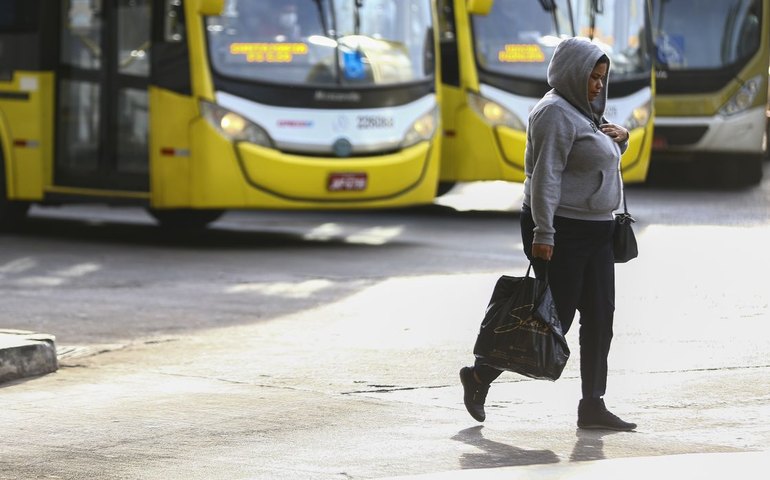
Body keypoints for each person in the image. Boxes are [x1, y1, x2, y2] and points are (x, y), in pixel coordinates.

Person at [460, 37, 636, 431]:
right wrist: (544, 233)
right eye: (591, 76)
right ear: (573, 72)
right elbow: (545, 177)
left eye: (602, 78)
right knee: (548, 320)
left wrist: (619, 142)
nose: (597, 85)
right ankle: (479, 375)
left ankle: (593, 404)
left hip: (598, 231)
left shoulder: (587, 113)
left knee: (600, 316)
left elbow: (591, 165)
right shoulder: (554, 113)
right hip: (563, 229)